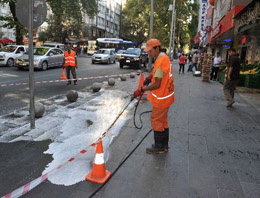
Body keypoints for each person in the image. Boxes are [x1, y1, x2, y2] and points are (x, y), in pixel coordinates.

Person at [134, 39, 175, 154]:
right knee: (163, 122)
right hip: (167, 96)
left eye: (150, 51)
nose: (149, 53)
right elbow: (160, 73)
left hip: (161, 98)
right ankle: (164, 146)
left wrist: (143, 89)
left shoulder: (160, 61)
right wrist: (150, 76)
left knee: (156, 121)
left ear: (157, 48)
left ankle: (159, 147)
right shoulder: (164, 58)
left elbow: (157, 84)